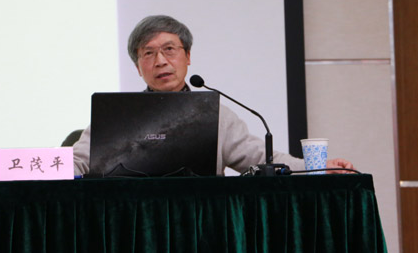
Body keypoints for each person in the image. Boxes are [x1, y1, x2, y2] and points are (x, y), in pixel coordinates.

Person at [73, 15, 354, 176]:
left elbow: (261, 158)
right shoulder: (117, 115)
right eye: (148, 53)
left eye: (169, 49)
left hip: (201, 224)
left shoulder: (213, 114)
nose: (160, 61)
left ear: (187, 56)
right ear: (137, 67)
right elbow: (78, 160)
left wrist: (317, 167)